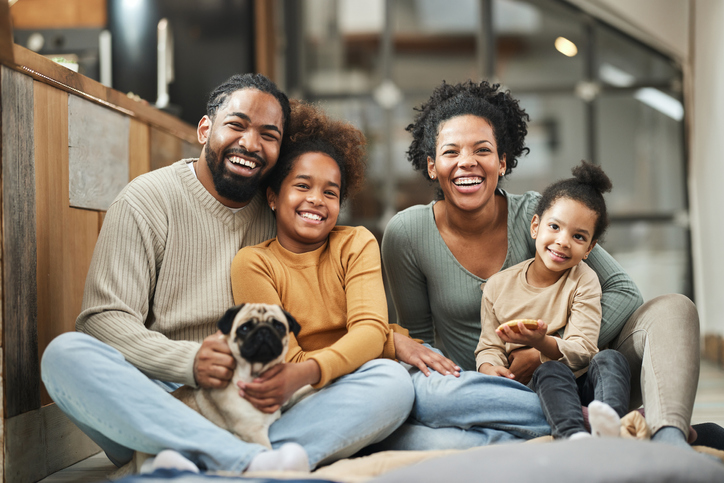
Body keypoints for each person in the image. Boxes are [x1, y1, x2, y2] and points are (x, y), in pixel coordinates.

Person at [39, 73, 405, 475]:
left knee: (390, 385)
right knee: (64, 356)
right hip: (165, 394)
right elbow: (102, 320)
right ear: (204, 128)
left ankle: (189, 458)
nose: (250, 143)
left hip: (259, 394)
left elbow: (329, 298)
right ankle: (246, 461)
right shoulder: (146, 201)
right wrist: (189, 360)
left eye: (268, 135)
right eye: (236, 124)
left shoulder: (279, 210)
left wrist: (389, 338)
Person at [382, 79, 702, 450]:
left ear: (502, 162)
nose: (466, 161)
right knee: (428, 398)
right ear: (432, 165)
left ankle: (669, 439)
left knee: (674, 309)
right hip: (490, 394)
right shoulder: (407, 233)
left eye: (482, 150)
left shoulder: (541, 216)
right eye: (451, 151)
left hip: (588, 380)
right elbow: (421, 342)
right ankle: (602, 426)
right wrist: (488, 373)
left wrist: (548, 349)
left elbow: (625, 292)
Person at [229, 100, 416, 467]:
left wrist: (375, 337)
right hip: (316, 395)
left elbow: (367, 329)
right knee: (392, 384)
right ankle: (248, 461)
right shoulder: (253, 263)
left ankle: (563, 420)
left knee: (445, 396)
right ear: (272, 196)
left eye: (330, 193)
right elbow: (291, 364)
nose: (316, 199)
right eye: (302, 186)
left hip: (362, 379)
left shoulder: (356, 241)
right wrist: (386, 342)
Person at [476, 161, 632, 440]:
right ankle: (573, 436)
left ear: (589, 249)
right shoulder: (498, 287)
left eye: (578, 236)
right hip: (541, 390)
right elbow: (489, 346)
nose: (563, 241)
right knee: (550, 370)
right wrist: (490, 368)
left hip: (584, 384)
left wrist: (541, 342)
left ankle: (610, 429)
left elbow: (584, 349)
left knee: (611, 358)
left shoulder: (584, 279)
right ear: (535, 226)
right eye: (555, 226)